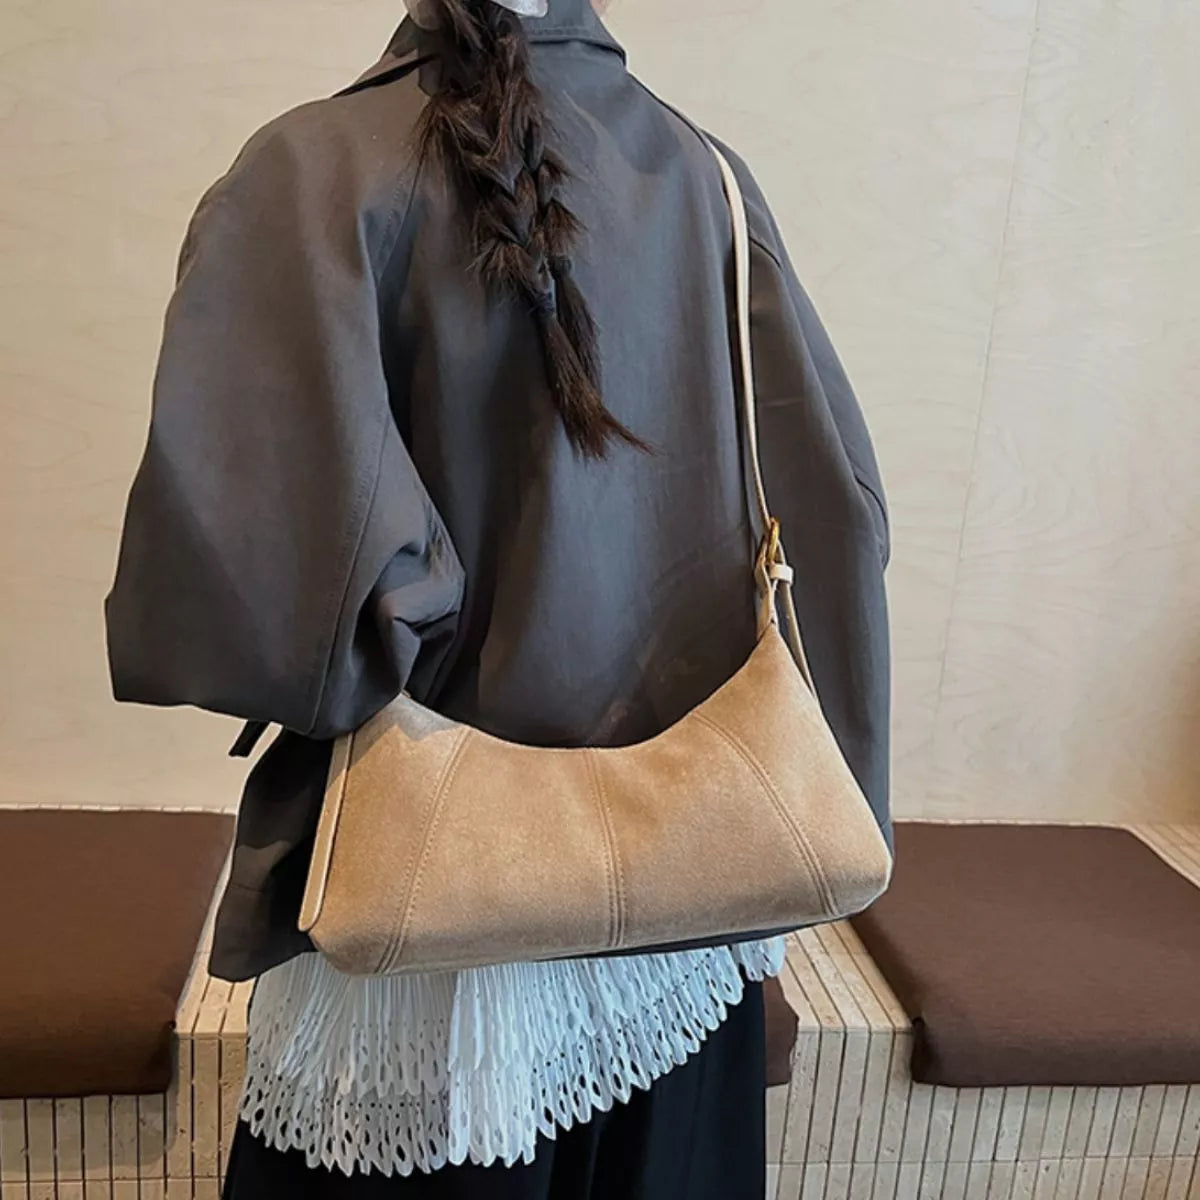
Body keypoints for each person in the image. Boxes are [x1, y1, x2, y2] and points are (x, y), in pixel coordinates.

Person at [104, 0, 892, 1195]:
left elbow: (255, 611)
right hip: (685, 920)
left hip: (434, 926)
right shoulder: (709, 181)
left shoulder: (313, 174)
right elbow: (837, 523)